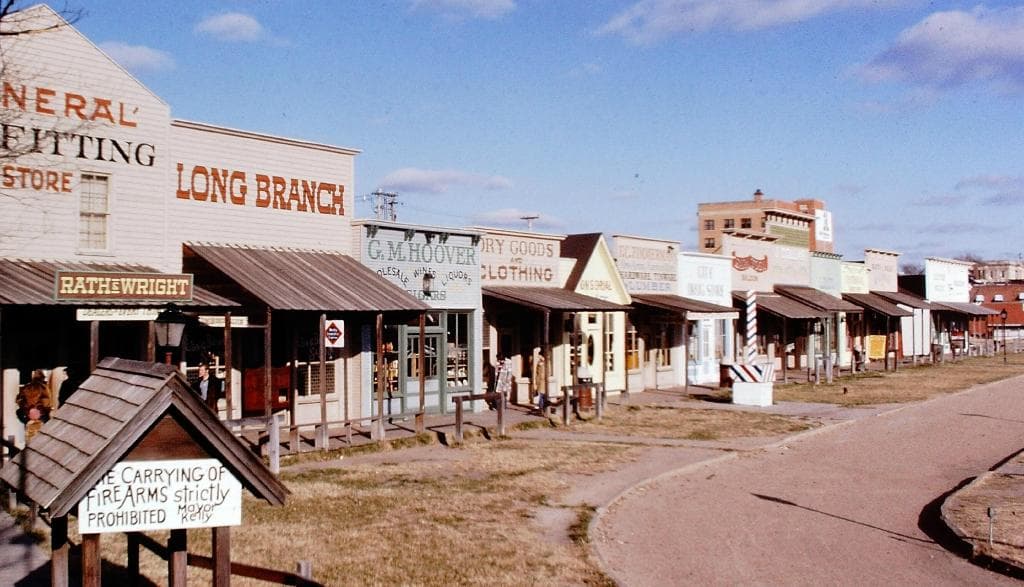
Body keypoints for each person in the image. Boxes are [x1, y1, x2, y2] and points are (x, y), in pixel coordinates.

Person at [17, 369, 52, 441]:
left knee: (29, 436)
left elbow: (18, 400)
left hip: (28, 415)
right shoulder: (43, 387)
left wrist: (27, 409)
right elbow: (46, 402)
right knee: (43, 436)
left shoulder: (27, 387)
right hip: (41, 416)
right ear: (42, 378)